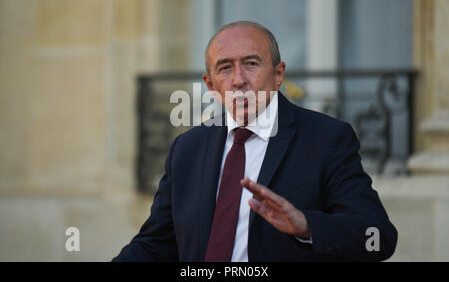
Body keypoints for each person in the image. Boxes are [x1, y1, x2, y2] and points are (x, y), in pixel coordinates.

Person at [113, 21, 397, 262]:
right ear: (211, 85)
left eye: (251, 64)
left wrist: (308, 226)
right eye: (225, 68)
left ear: (278, 75)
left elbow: (377, 235)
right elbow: (155, 245)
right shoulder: (187, 149)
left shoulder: (327, 139)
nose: (238, 80)